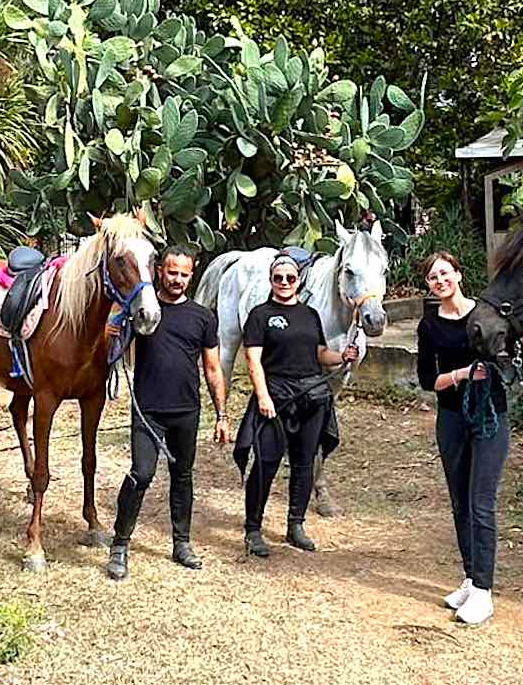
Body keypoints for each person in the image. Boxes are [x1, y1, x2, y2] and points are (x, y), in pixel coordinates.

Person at [415, 251, 523, 625]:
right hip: (452, 418)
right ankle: (470, 578)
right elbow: (427, 380)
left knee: (481, 502)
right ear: (429, 286)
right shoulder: (429, 325)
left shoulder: (486, 315)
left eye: (445, 273)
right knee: (460, 502)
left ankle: (484, 591)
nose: (440, 281)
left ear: (459, 274)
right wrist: (462, 374)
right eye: (433, 277)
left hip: (489, 417)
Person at [107, 245, 230, 580]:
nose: (177, 279)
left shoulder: (203, 317)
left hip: (186, 410)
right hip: (148, 410)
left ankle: (182, 543)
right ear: (160, 270)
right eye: (172, 272)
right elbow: (112, 350)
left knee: (183, 476)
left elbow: (213, 368)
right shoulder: (143, 310)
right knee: (141, 474)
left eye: (184, 274)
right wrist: (110, 334)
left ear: (192, 275)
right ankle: (120, 545)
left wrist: (221, 415)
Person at [234, 249, 359, 556]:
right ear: (271, 280)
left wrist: (341, 356)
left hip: (312, 398)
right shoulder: (260, 315)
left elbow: (320, 354)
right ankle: (253, 529)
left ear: (298, 280)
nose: (285, 282)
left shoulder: (310, 315)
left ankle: (296, 525)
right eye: (278, 278)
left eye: (290, 278)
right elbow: (253, 359)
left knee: (305, 464)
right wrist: (262, 396)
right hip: (275, 398)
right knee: (266, 463)